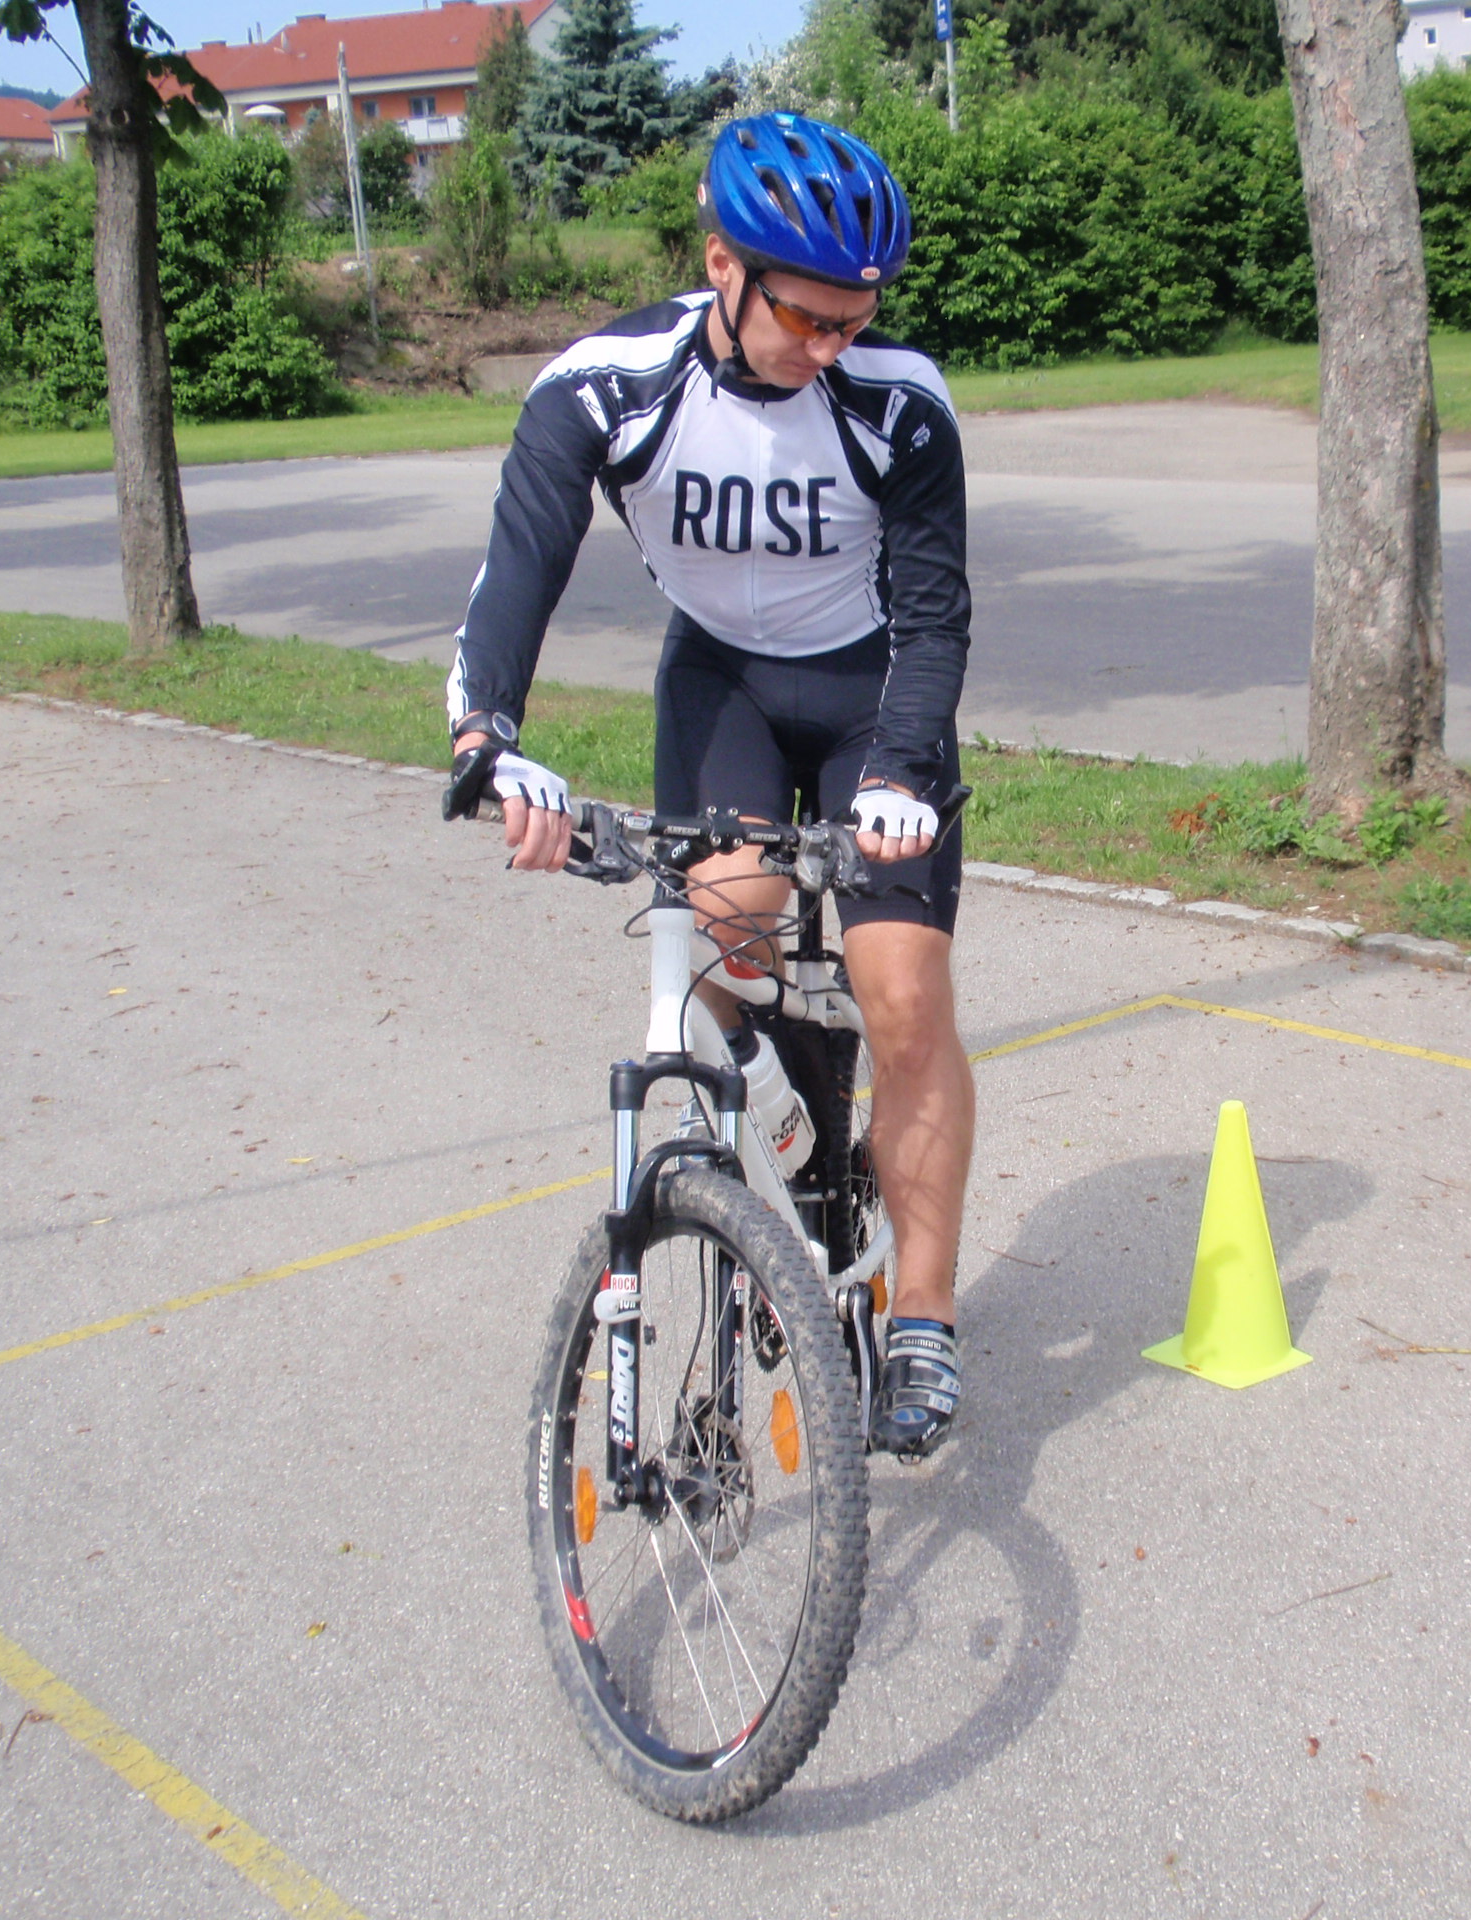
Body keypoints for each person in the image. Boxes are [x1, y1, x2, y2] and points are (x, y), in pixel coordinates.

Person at [441, 113, 974, 1459]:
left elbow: (935, 615)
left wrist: (901, 772)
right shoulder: (607, 387)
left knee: (904, 992)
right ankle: (804, 1155)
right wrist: (489, 736)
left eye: (857, 318)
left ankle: (922, 1315)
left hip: (872, 697)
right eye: (808, 316)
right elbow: (521, 563)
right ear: (722, 266)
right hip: (721, 683)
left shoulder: (899, 402)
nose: (833, 345)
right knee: (729, 931)